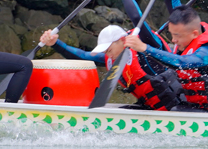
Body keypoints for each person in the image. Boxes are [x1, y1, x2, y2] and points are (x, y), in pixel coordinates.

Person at [39, 22, 181, 110]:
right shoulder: (110, 59)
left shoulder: (143, 50)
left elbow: (137, 16)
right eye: (105, 51)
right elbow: (82, 56)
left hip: (175, 106)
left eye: (109, 49)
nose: (108, 54)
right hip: (149, 107)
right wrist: (55, 44)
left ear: (122, 40)